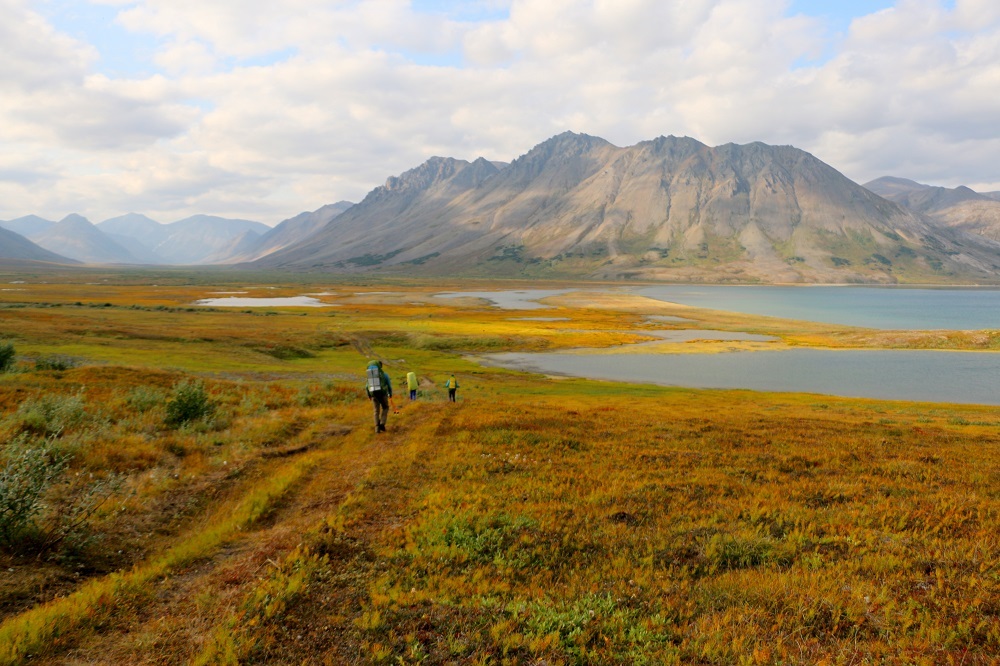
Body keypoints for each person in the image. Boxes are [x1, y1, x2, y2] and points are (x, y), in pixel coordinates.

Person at [364, 359, 392, 433]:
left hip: (373, 395)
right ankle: (382, 423)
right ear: (380, 367)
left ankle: (377, 428)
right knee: (385, 407)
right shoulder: (384, 375)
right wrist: (390, 394)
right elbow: (389, 386)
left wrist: (369, 396)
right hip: (382, 394)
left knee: (376, 411)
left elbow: (367, 387)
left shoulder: (370, 376)